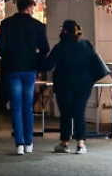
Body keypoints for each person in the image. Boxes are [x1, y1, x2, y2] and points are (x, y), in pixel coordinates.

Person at [0, 0, 50, 155]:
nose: (33, 10)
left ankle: (19, 144)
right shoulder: (37, 26)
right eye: (33, 7)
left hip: (12, 69)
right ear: (29, 8)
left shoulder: (7, 24)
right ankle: (29, 142)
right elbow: (45, 48)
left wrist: (8, 57)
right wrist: (36, 58)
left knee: (16, 107)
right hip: (30, 70)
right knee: (27, 107)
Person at [43, 20, 107, 154]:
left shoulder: (60, 47)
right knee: (79, 111)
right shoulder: (86, 45)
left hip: (64, 85)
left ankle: (64, 142)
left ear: (65, 31)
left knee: (66, 113)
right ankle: (80, 144)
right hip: (84, 85)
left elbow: (47, 65)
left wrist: (37, 56)